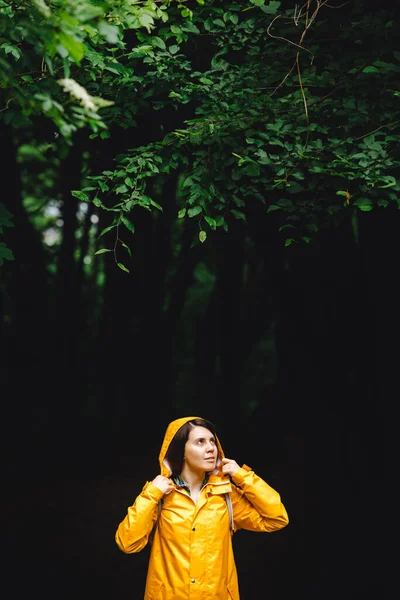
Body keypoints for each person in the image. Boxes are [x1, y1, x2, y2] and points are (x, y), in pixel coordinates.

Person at [115, 416, 289, 600]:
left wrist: (242, 476)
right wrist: (151, 494)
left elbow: (277, 518)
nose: (210, 448)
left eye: (212, 441)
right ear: (181, 450)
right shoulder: (160, 497)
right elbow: (127, 543)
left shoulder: (225, 495)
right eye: (200, 442)